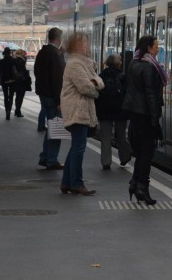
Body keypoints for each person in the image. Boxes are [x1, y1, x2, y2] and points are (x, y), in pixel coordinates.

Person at [123, 34, 164, 205]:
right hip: (145, 115)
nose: (157, 49)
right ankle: (142, 187)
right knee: (147, 152)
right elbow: (151, 95)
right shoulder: (149, 67)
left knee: (140, 152)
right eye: (156, 46)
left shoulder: (133, 63)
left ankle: (134, 183)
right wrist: (155, 119)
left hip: (134, 114)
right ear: (148, 48)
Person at [59, 31, 102, 195]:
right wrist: (96, 88)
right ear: (75, 46)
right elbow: (86, 87)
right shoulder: (76, 64)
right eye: (83, 43)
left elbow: (98, 81)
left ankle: (66, 182)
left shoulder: (84, 64)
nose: (86, 46)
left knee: (76, 147)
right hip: (77, 110)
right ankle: (77, 183)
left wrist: (96, 83)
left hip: (81, 110)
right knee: (79, 148)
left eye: (86, 43)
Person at [33, 27, 65, 170]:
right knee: (56, 129)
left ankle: (45, 156)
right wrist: (60, 101)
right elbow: (58, 79)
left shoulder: (42, 52)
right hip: (54, 97)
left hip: (43, 95)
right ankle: (51, 159)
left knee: (51, 128)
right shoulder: (55, 54)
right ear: (58, 39)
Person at [96, 54, 131, 170]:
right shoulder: (123, 77)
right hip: (120, 111)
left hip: (104, 111)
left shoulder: (101, 76)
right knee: (121, 135)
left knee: (105, 137)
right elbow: (128, 95)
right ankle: (125, 157)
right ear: (119, 63)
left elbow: (97, 93)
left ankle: (106, 162)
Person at [0, 47, 23, 120]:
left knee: (5, 97)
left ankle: (6, 111)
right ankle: (9, 111)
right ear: (10, 53)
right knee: (11, 97)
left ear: (4, 53)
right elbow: (17, 70)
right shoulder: (13, 60)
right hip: (12, 81)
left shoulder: (1, 61)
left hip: (4, 81)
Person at [12, 49, 32, 116]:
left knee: (18, 96)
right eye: (23, 53)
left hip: (17, 80)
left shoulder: (14, 60)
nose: (25, 54)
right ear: (21, 54)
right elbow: (23, 70)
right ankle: (18, 111)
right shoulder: (21, 60)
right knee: (20, 97)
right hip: (22, 80)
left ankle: (17, 110)